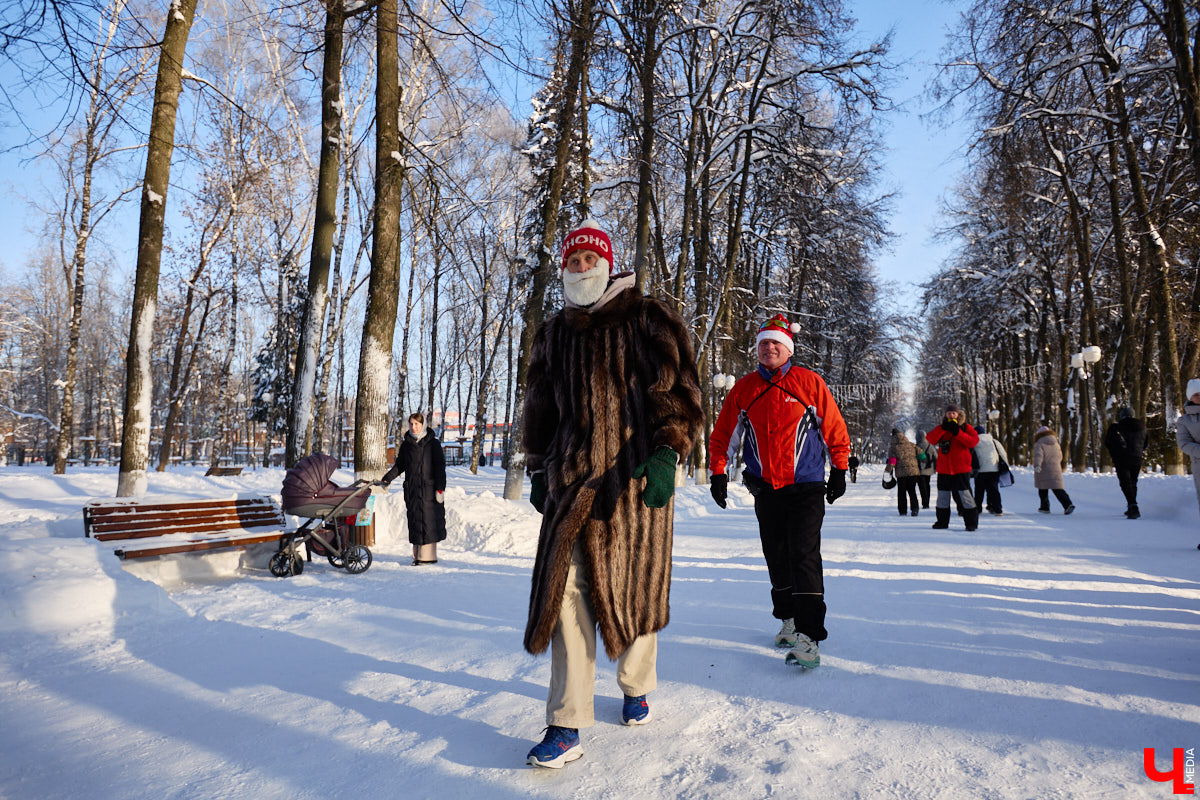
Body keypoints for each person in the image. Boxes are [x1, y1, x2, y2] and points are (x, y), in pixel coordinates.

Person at [521, 219, 703, 769]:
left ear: (606, 262)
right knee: (568, 595)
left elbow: (679, 391)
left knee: (633, 592)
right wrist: (536, 466)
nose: (579, 268)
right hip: (573, 486)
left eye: (587, 259)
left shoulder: (648, 318)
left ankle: (636, 683)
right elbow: (540, 408)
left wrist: (669, 451)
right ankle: (566, 723)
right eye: (571, 261)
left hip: (636, 482)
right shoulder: (553, 333)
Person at [708, 313, 850, 670]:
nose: (769, 348)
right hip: (765, 488)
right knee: (776, 554)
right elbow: (724, 435)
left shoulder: (809, 383)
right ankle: (788, 620)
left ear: (787, 349)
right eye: (763, 343)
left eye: (775, 343)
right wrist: (718, 474)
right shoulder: (744, 389)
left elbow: (834, 428)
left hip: (805, 487)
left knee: (804, 554)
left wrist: (840, 469)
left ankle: (809, 635)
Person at [381, 412, 447, 565]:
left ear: (422, 424)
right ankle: (418, 555)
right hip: (412, 490)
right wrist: (387, 478)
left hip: (429, 490)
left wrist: (440, 489)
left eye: (416, 424)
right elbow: (400, 465)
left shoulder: (433, 444)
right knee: (416, 521)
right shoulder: (407, 444)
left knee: (429, 522)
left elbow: (440, 468)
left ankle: (428, 556)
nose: (414, 427)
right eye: (411, 424)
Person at [925, 404, 980, 531]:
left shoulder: (965, 427)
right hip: (944, 470)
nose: (951, 415)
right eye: (949, 413)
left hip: (961, 469)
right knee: (943, 498)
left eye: (953, 413)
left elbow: (973, 441)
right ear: (946, 414)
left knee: (965, 497)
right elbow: (930, 439)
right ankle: (942, 522)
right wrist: (942, 429)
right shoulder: (942, 427)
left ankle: (971, 523)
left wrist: (958, 432)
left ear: (958, 414)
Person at [1105, 406, 1147, 519]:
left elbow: (1108, 442)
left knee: (1125, 482)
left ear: (1122, 415)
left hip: (1121, 458)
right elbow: (1146, 443)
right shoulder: (1142, 426)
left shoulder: (1116, 427)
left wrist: (1114, 454)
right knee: (1133, 482)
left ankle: (1133, 506)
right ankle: (1131, 506)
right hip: (1137, 458)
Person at [1175, 380, 1200, 535]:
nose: (1199, 397)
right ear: (1190, 396)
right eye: (1196, 394)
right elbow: (1184, 443)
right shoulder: (1184, 421)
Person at [1032, 425, 1075, 514]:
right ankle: (1067, 504)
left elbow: (1038, 455)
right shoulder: (1056, 443)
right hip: (1056, 468)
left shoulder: (1039, 443)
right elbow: (1060, 456)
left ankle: (1045, 507)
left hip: (1043, 469)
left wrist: (1037, 465)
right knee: (1057, 488)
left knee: (1042, 488)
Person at [972, 424, 1009, 516]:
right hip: (993, 469)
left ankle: (978, 509)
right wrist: (1006, 465)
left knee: (979, 491)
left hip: (979, 470)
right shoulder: (993, 441)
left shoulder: (973, 442)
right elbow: (1002, 453)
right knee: (993, 490)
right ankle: (997, 509)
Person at [886, 428, 920, 516]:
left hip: (901, 474)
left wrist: (887, 472)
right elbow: (922, 455)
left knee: (901, 492)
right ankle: (915, 508)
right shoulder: (912, 445)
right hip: (913, 472)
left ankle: (903, 510)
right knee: (912, 491)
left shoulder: (893, 448)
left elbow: (892, 462)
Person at [915, 433, 937, 509]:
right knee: (927, 485)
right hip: (928, 469)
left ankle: (924, 502)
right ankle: (927, 501)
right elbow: (935, 457)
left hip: (918, 469)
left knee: (921, 486)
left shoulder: (916, 447)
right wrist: (935, 468)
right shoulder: (930, 446)